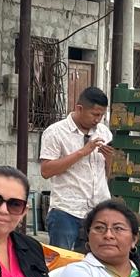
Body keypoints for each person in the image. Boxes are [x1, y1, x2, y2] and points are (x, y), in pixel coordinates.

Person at [41, 86, 113, 251]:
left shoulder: (104, 132)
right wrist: (82, 152)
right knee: (62, 261)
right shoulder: (55, 132)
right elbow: (46, 171)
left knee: (93, 261)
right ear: (79, 108)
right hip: (66, 211)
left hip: (98, 210)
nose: (98, 119)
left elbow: (108, 175)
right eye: (94, 114)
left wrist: (109, 159)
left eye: (101, 115)